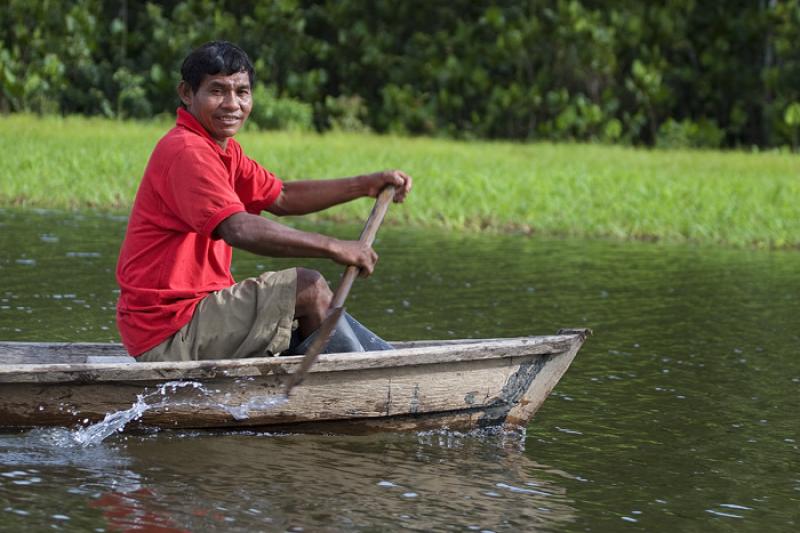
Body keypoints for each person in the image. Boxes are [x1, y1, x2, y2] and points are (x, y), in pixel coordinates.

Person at [115, 41, 412, 361]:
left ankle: (370, 369)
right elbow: (238, 229)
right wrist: (334, 246)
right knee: (308, 288)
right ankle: (366, 381)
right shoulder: (187, 151)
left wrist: (364, 185)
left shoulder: (222, 150)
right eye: (217, 91)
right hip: (170, 331)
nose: (232, 104)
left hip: (191, 317)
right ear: (187, 94)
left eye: (241, 92)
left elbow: (281, 196)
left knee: (306, 310)